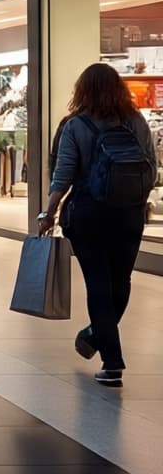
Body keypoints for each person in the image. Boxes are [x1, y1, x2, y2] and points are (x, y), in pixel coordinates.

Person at [40, 62, 157, 387]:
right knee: (121, 282)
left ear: (83, 91)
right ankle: (98, 338)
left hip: (88, 213)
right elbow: (153, 168)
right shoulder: (136, 121)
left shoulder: (75, 125)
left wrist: (48, 212)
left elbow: (62, 175)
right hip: (130, 214)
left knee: (98, 284)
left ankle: (111, 358)